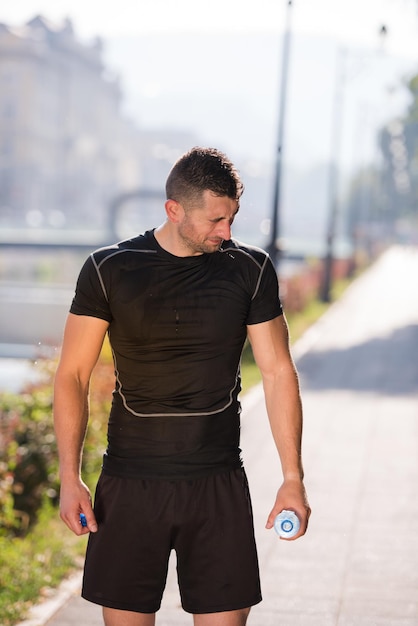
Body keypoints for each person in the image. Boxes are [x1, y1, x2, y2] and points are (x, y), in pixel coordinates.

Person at [54, 146, 310, 626]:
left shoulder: (248, 269)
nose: (227, 232)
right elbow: (72, 376)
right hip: (130, 484)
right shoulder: (109, 270)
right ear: (174, 210)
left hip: (217, 483)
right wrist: (70, 478)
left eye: (232, 218)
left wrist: (292, 478)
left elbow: (277, 373)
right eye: (216, 220)